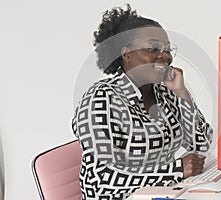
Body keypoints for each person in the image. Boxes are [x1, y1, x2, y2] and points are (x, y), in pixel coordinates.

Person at [72, 4, 213, 200]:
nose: (165, 56)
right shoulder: (101, 100)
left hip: (163, 195)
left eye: (167, 49)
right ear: (126, 54)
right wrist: (175, 171)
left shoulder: (166, 92)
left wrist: (183, 96)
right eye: (153, 48)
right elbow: (100, 180)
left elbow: (201, 145)